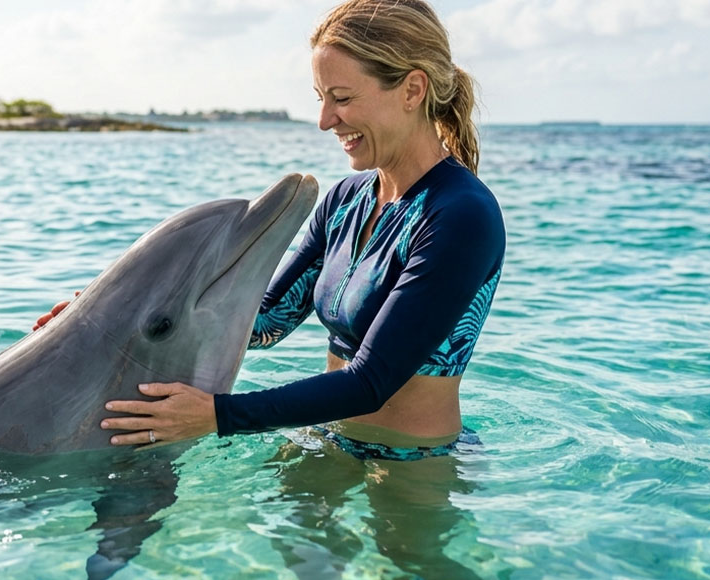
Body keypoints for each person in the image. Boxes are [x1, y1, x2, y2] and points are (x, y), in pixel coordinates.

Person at [39, 0, 504, 464]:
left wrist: (217, 415)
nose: (325, 120)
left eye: (341, 98)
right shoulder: (346, 201)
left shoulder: (460, 215)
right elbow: (265, 323)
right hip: (329, 439)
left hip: (413, 463)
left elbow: (372, 383)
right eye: (320, 99)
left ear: (412, 90)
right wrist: (106, 321)